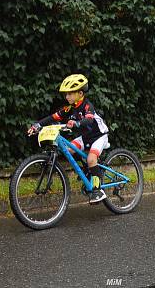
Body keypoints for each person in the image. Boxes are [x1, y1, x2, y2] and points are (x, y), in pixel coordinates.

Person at [27, 74, 110, 203]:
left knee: (91, 159)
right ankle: (89, 170)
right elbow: (53, 117)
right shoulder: (70, 108)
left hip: (99, 136)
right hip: (86, 137)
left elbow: (88, 119)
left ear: (80, 93)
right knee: (68, 150)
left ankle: (98, 191)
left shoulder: (87, 105)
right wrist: (37, 125)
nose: (67, 97)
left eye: (70, 94)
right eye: (66, 94)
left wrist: (77, 123)